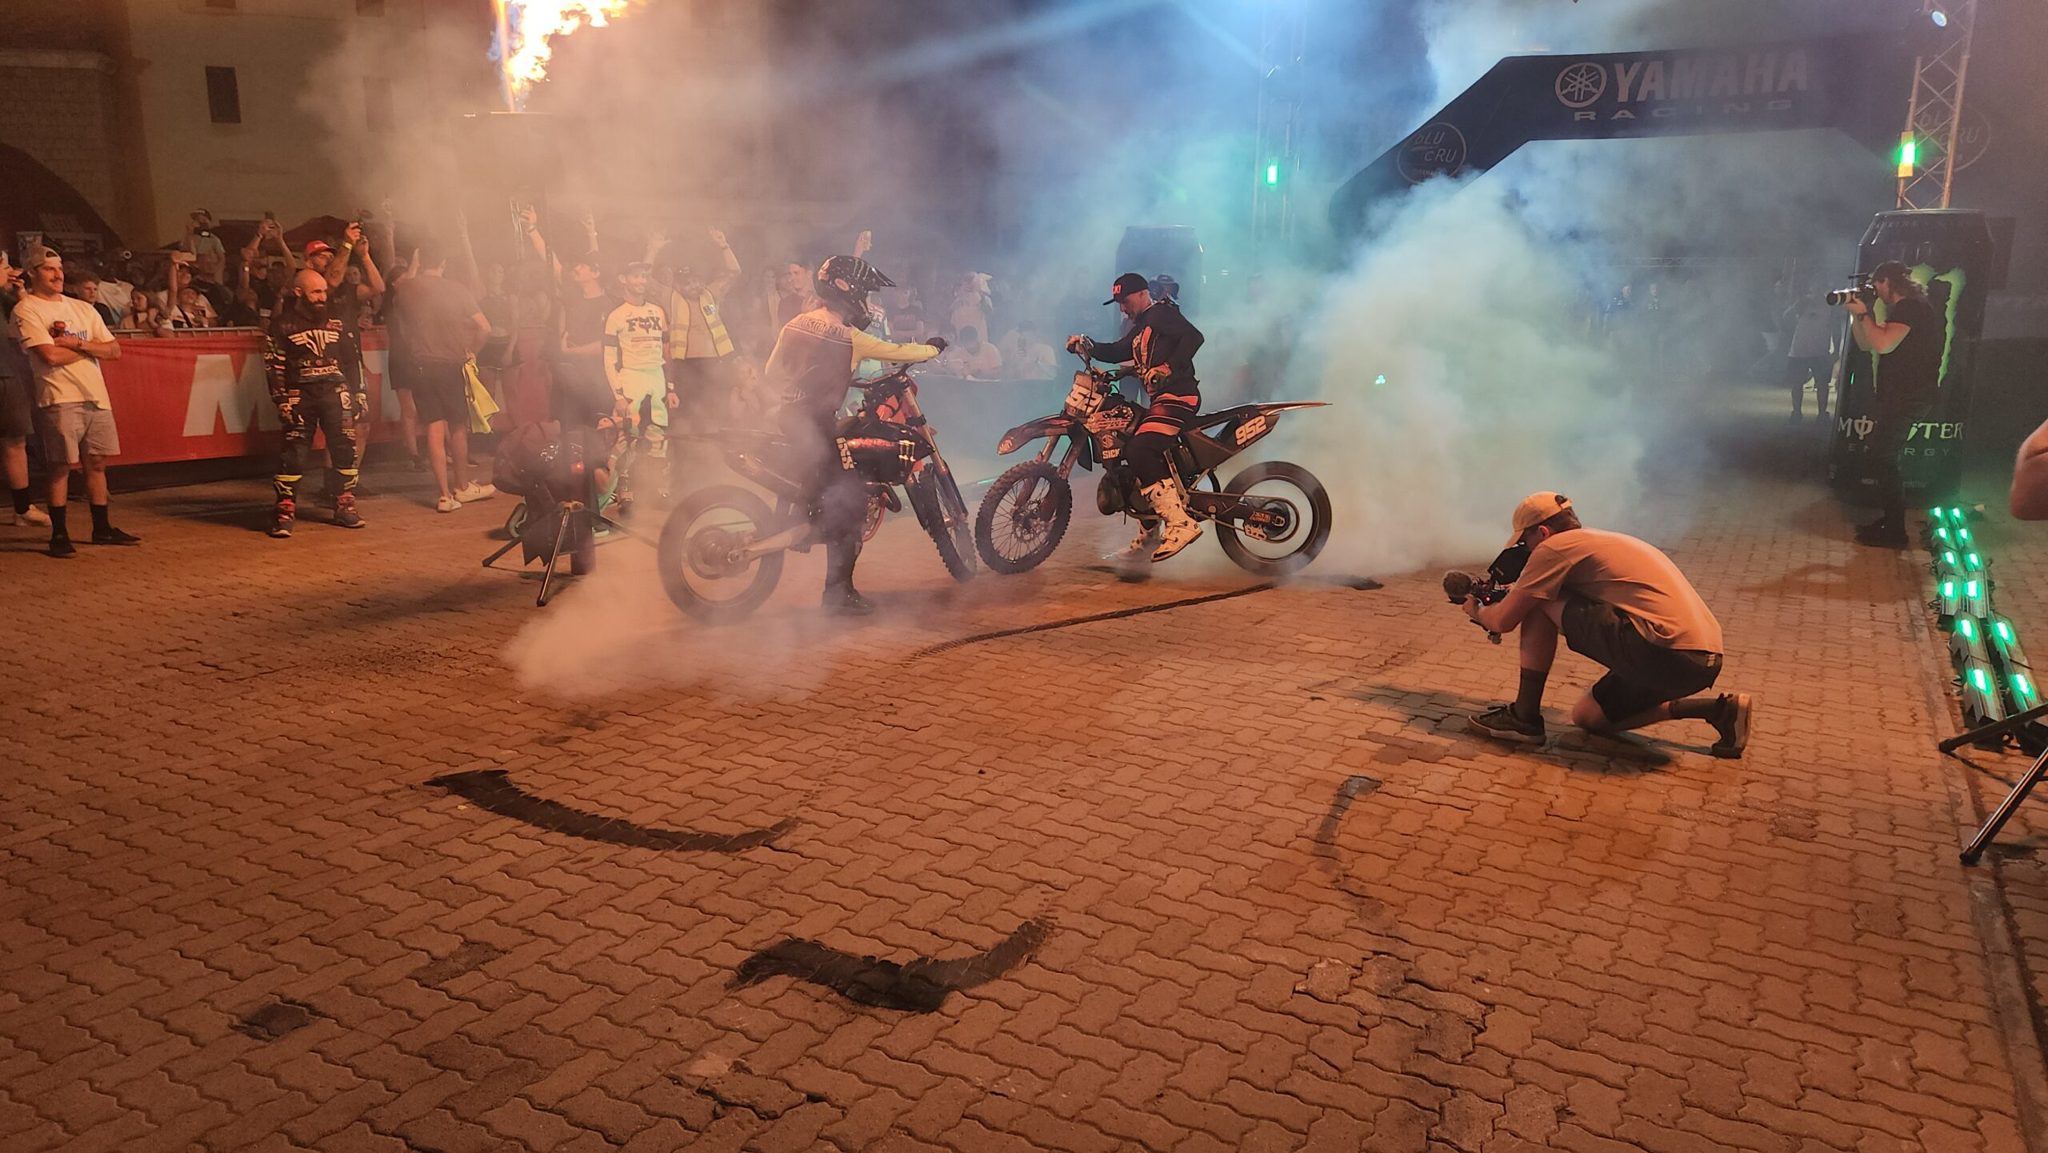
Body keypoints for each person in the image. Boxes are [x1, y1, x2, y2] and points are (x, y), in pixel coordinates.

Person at [1458, 492, 1751, 757]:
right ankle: (1719, 710)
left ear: (1543, 532)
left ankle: (1524, 718)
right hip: (1701, 663)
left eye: (1525, 543)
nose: (1526, 551)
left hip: (1664, 652)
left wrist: (1476, 609)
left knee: (1541, 600)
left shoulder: (1554, 548)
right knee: (1588, 716)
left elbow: (1503, 620)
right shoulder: (1603, 542)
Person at [765, 255, 946, 614]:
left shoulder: (794, 324)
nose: (865, 301)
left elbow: (772, 372)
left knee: (827, 481)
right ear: (847, 291)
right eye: (863, 293)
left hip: (787, 418)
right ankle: (838, 595)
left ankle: (806, 517)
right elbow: (898, 352)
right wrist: (933, 348)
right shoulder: (850, 337)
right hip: (815, 423)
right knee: (850, 503)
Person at [1066, 272, 1207, 563]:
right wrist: (1087, 344)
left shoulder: (1160, 314)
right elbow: (1119, 350)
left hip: (1178, 397)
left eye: (1126, 301)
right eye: (1118, 303)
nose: (1122, 308)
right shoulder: (1142, 326)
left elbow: (1194, 337)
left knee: (1139, 449)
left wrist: (1168, 368)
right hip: (1160, 401)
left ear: (1143, 294)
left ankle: (1180, 523)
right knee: (1128, 451)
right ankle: (1149, 535)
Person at [12, 250, 137, 556]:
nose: (58, 275)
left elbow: (115, 350)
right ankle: (59, 533)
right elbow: (50, 355)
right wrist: (91, 349)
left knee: (96, 462)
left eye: (59, 269)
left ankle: (102, 527)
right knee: (60, 466)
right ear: (32, 273)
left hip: (95, 394)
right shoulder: (27, 309)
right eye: (48, 269)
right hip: (59, 396)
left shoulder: (82, 307)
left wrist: (79, 343)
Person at [388, 240, 495, 512]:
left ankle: (444, 495)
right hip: (450, 364)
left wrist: (414, 264)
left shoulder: (407, 288)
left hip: (420, 366)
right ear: (444, 263)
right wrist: (472, 352)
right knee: (457, 427)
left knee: (433, 428)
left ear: (420, 261)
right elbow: (485, 327)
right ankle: (462, 486)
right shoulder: (456, 289)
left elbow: (401, 293)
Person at [1845, 261, 1943, 549]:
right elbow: (1867, 343)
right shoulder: (1908, 308)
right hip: (1902, 395)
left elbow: (1884, 344)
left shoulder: (1910, 308)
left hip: (1909, 395)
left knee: (1883, 458)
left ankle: (1895, 531)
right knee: (1882, 457)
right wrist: (1858, 315)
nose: (1874, 289)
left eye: (1876, 283)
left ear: (1887, 281)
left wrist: (1863, 312)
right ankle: (1891, 522)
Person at [264, 270, 363, 536]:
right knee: (293, 453)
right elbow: (273, 365)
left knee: (345, 447)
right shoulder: (282, 324)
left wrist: (360, 393)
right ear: (298, 293)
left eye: (324, 291)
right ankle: (284, 510)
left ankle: (345, 505)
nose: (322, 297)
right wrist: (280, 399)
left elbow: (353, 360)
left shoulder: (338, 321)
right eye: (315, 292)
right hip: (299, 395)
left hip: (336, 392)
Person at [651, 228, 742, 432]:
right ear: (678, 284)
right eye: (687, 282)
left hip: (714, 363)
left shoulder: (711, 294)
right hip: (685, 366)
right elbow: (646, 280)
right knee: (687, 414)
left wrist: (724, 246)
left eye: (696, 280)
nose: (693, 285)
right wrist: (654, 250)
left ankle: (714, 446)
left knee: (715, 411)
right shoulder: (670, 297)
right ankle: (688, 448)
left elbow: (734, 273)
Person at [602, 261, 672, 508]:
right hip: (631, 376)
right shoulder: (616, 316)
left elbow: (667, 350)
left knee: (658, 433)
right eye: (636, 276)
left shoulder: (658, 311)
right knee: (627, 433)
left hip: (656, 376)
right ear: (623, 279)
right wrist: (618, 395)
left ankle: (657, 487)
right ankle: (624, 490)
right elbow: (609, 359)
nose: (641, 281)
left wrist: (671, 387)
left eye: (644, 276)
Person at [0, 252, 53, 527]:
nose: (11, 271)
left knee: (15, 439)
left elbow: (28, 313)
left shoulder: (6, 298)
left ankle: (22, 508)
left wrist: (19, 292)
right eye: (5, 265)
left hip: (8, 373)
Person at [553, 251, 617, 429]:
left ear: (596, 273)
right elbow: (554, 265)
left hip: (597, 377)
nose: (576, 268)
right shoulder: (572, 297)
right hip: (570, 375)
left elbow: (605, 345)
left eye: (582, 266)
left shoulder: (608, 305)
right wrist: (533, 233)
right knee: (570, 427)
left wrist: (570, 351)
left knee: (598, 424)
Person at [1783, 290, 1835, 420]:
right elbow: (1786, 318)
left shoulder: (1831, 304)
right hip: (1800, 350)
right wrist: (1798, 305)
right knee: (1797, 383)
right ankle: (1797, 413)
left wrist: (1835, 349)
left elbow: (1835, 327)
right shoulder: (1803, 302)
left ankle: (1821, 414)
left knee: (1822, 384)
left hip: (1820, 351)